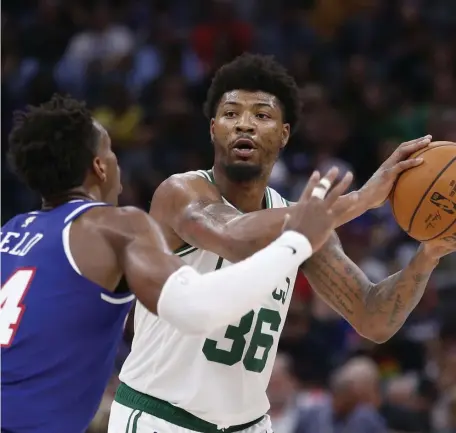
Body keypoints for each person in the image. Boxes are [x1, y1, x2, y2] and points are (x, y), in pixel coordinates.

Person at [109, 53, 455, 432]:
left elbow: (373, 318)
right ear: (212, 129)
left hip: (249, 424)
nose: (245, 124)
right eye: (230, 114)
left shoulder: (298, 219)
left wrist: (428, 254)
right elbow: (234, 236)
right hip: (161, 418)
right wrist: (360, 200)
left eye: (261, 115)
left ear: (284, 133)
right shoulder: (181, 192)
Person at [1, 94, 353, 433]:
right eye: (111, 151)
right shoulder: (114, 225)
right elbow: (194, 308)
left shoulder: (10, 233)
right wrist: (296, 241)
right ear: (99, 167)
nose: (117, 164)